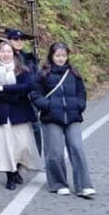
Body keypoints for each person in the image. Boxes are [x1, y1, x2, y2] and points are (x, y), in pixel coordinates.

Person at [30, 42, 96, 197]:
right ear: (51, 56)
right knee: (55, 152)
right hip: (51, 117)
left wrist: (79, 105)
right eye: (58, 55)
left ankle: (84, 185)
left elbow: (81, 92)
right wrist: (48, 105)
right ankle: (58, 183)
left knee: (77, 148)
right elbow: (35, 94)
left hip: (72, 116)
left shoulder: (74, 73)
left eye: (64, 55)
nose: (61, 58)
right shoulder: (43, 74)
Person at [0, 41, 42, 190]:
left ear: (13, 54)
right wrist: (13, 94)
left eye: (9, 52)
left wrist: (4, 88)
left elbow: (27, 86)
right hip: (2, 114)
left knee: (22, 145)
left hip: (20, 113)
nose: (6, 54)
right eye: (3, 52)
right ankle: (10, 176)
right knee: (6, 146)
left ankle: (17, 168)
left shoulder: (22, 70)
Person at [7, 28, 42, 155]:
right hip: (13, 98)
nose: (19, 41)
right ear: (9, 40)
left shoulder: (29, 58)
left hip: (30, 98)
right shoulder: (5, 56)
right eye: (16, 39)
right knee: (14, 130)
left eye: (21, 39)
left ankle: (37, 156)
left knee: (35, 127)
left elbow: (37, 78)